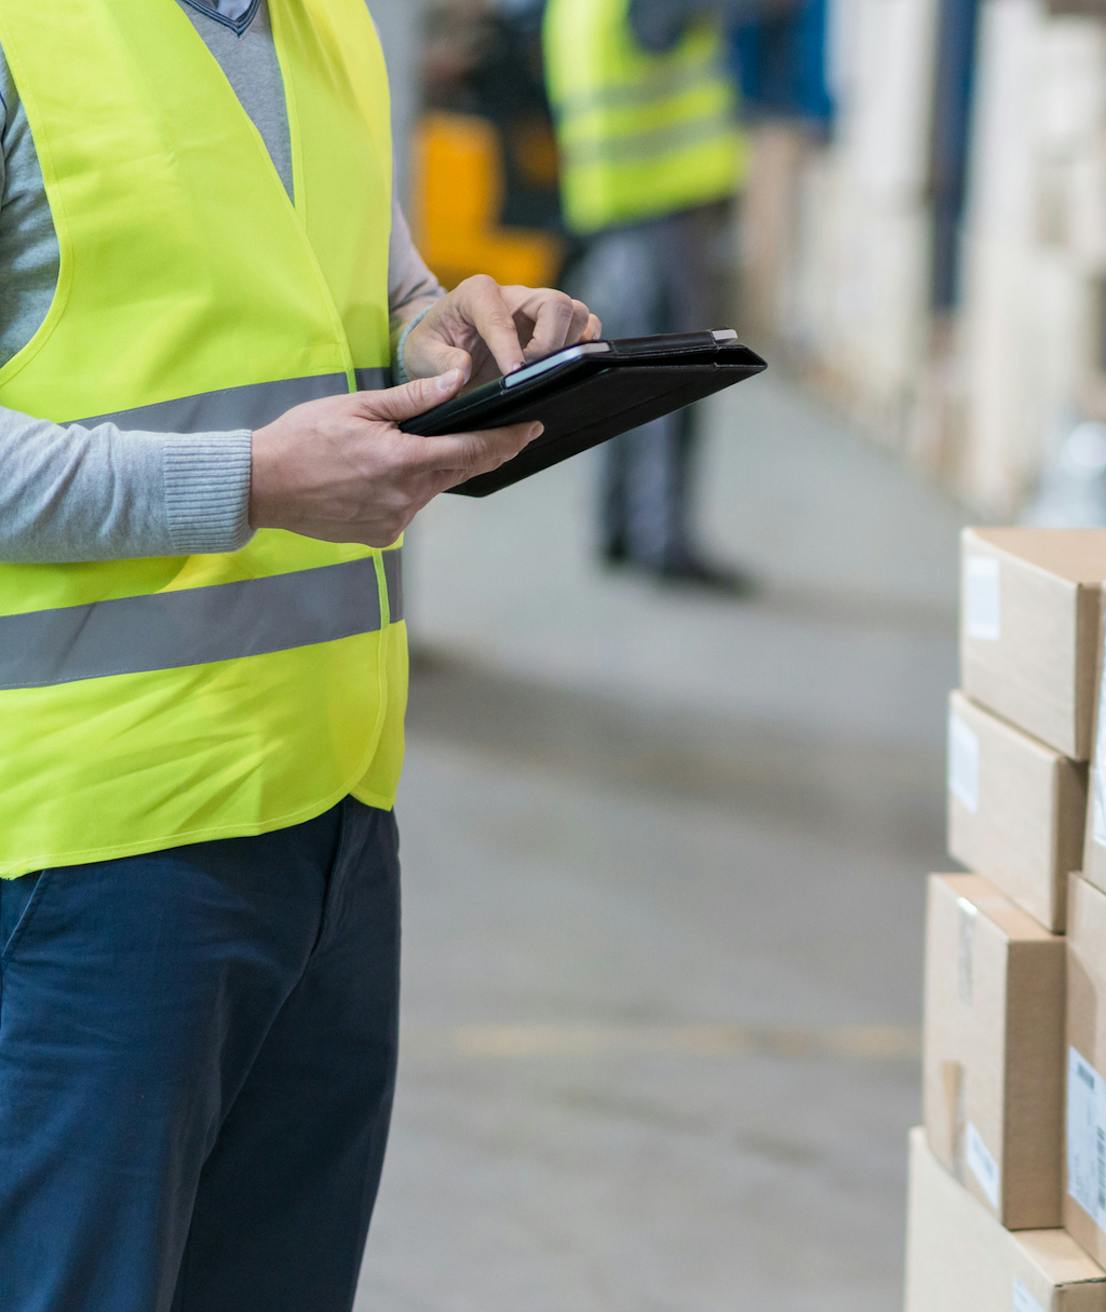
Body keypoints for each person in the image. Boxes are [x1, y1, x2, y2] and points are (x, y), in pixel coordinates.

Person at [0, 2, 601, 1308]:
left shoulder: (329, 27)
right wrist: (247, 482)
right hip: (85, 842)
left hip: (330, 809)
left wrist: (459, 333)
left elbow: (371, 293)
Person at [545, 0, 751, 590]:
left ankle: (620, 528)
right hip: (661, 203)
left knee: (623, 371)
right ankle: (663, 541)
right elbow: (667, 30)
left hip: (612, 202)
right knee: (676, 372)